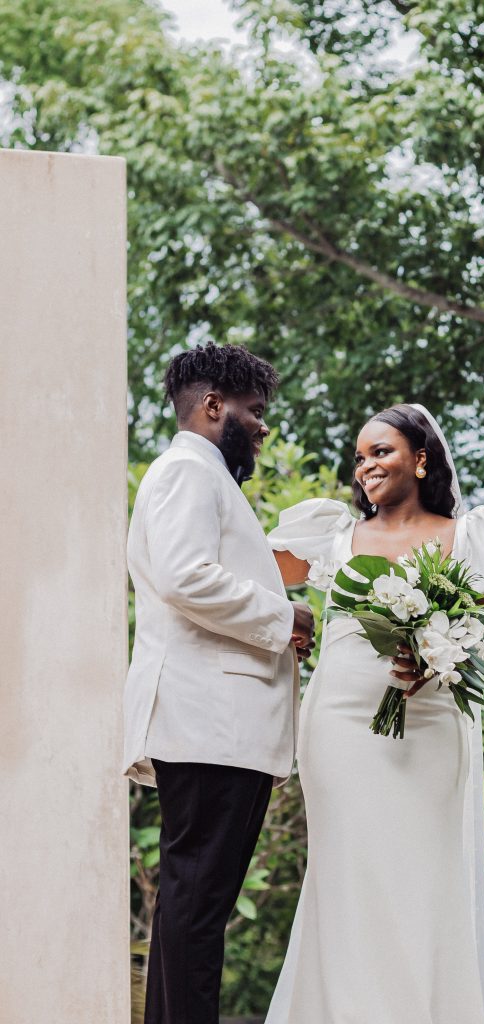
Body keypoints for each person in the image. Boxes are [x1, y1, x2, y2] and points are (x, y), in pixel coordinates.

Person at [265, 403, 484, 1024]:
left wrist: (440, 658)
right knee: (348, 873)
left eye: (380, 451)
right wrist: (294, 626)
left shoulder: (469, 536)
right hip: (339, 727)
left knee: (421, 877)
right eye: (360, 456)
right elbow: (254, 579)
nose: (366, 466)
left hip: (434, 728)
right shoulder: (332, 535)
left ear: (420, 458)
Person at [122, 342, 315, 1024]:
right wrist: (283, 616)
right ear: (212, 407)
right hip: (211, 727)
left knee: (190, 905)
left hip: (214, 729)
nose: (262, 427)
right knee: (196, 909)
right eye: (254, 411)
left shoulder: (200, 477)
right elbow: (185, 577)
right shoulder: (187, 472)